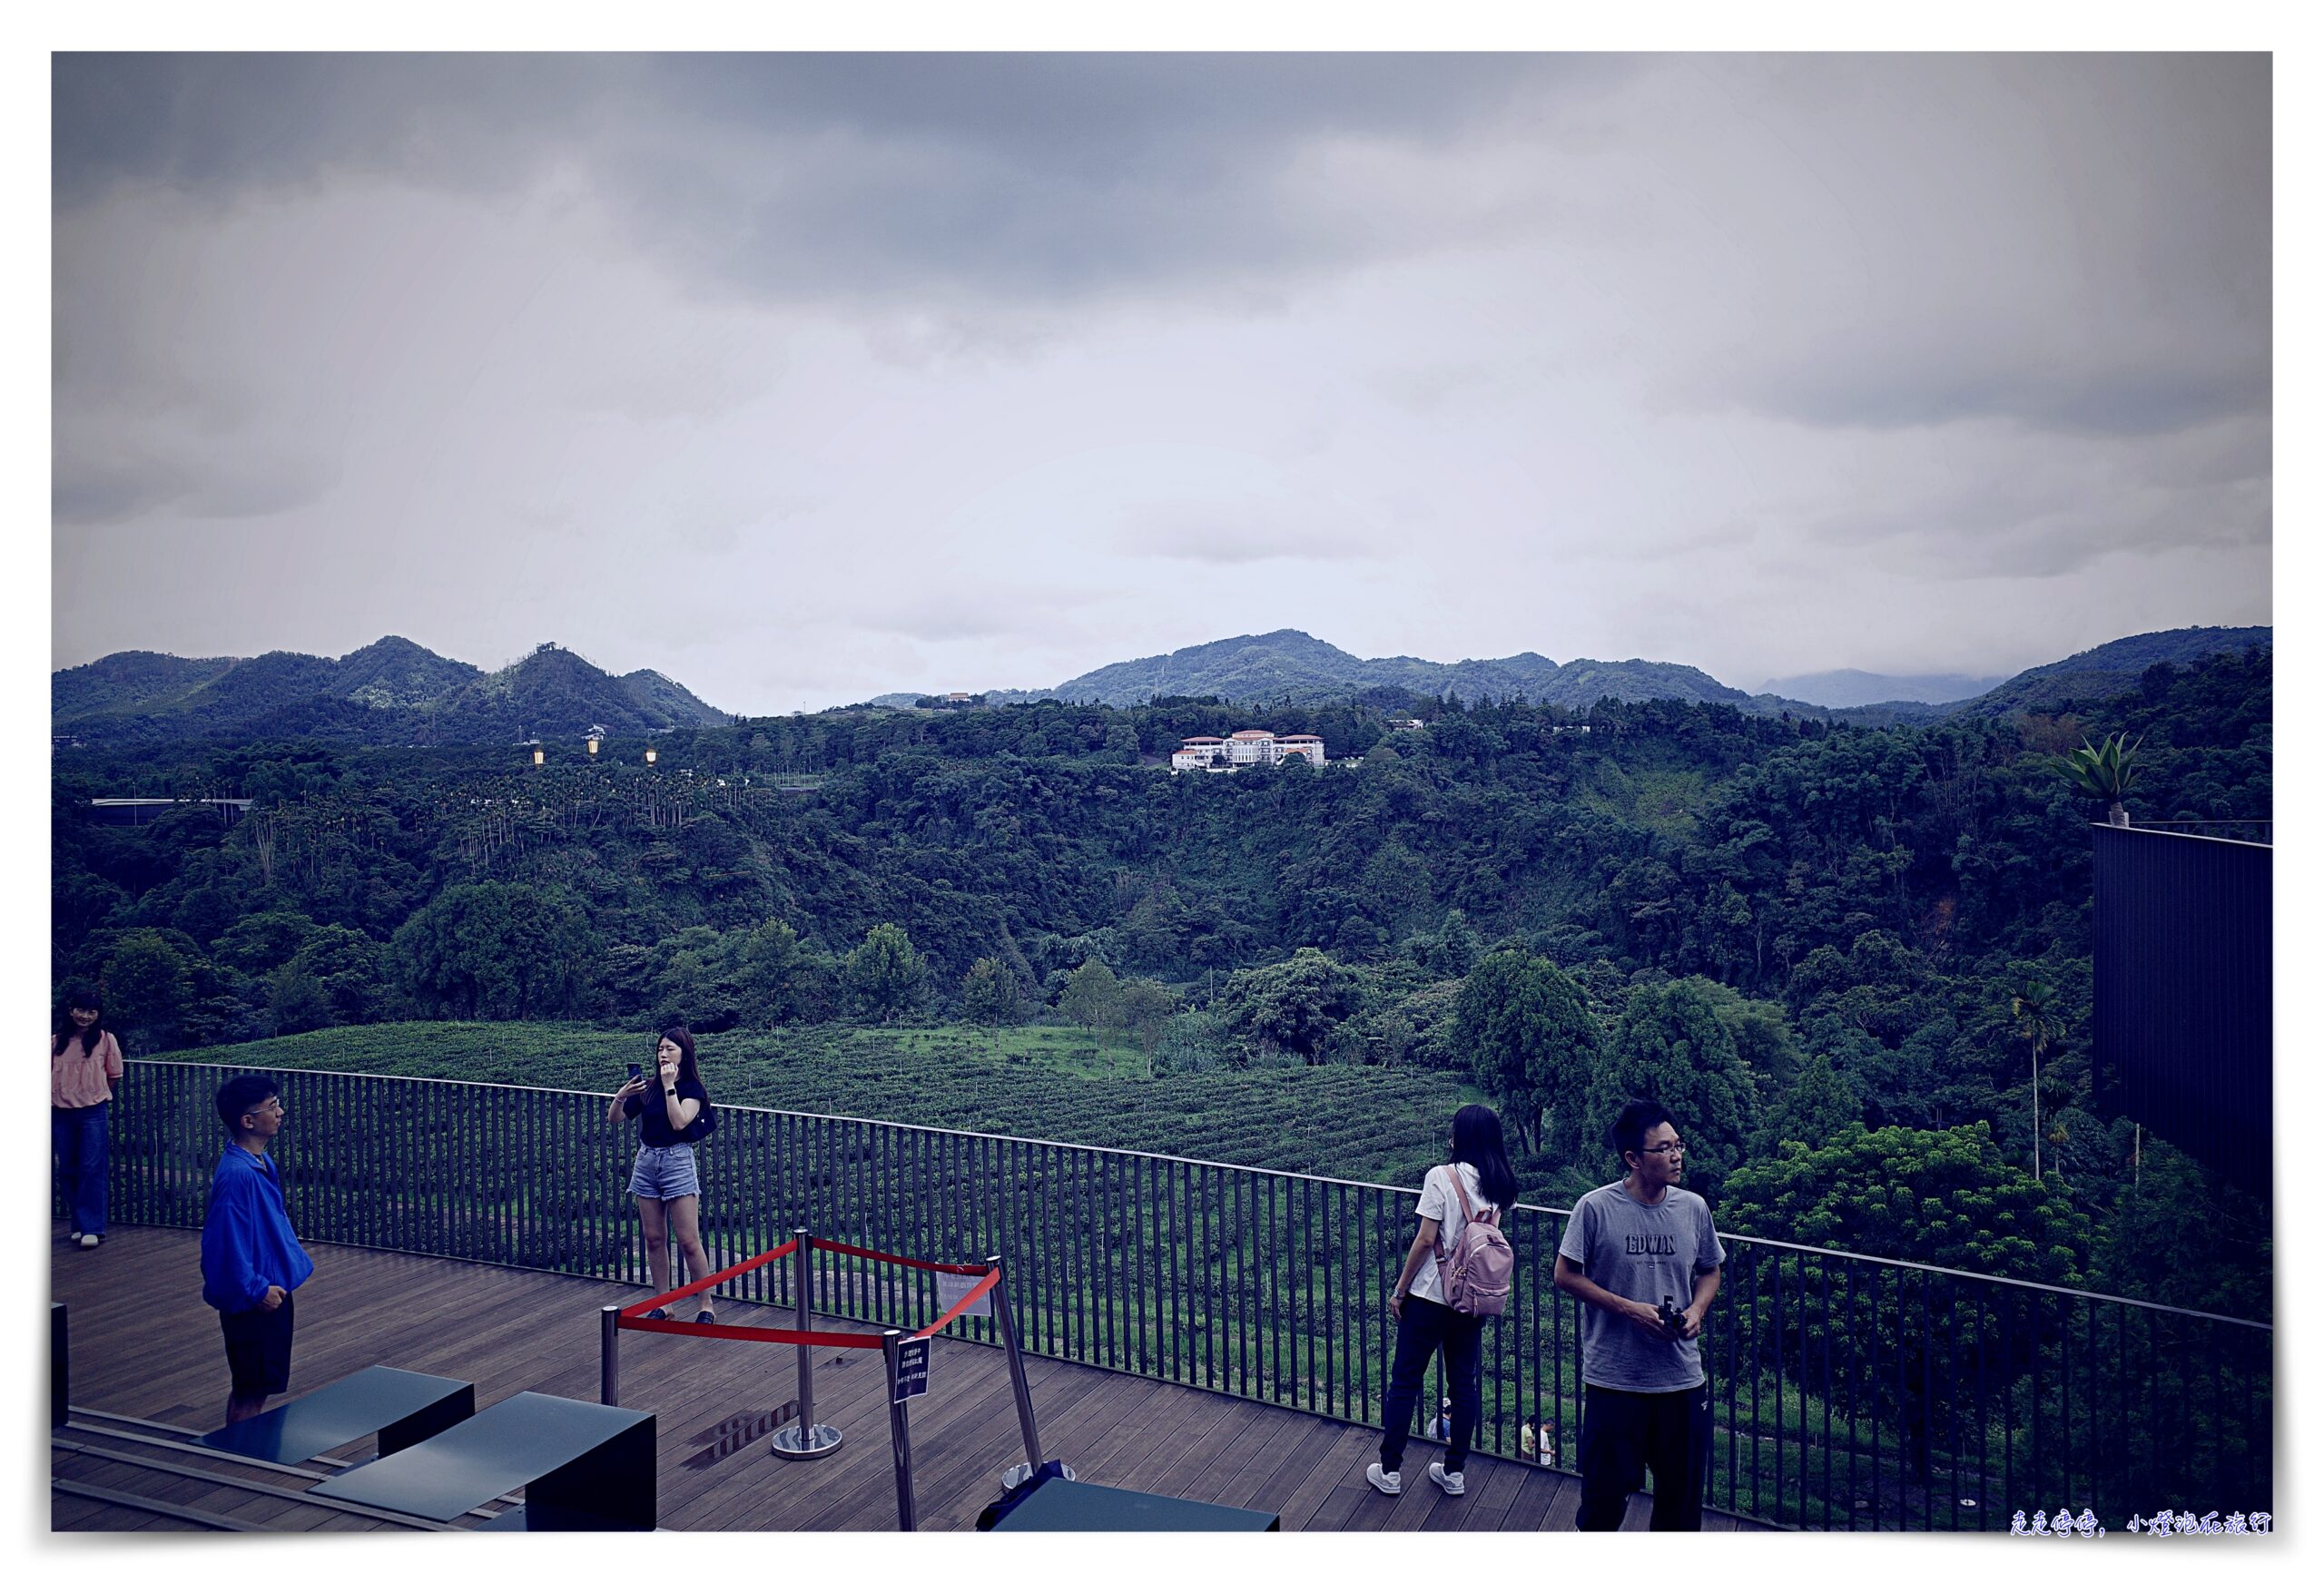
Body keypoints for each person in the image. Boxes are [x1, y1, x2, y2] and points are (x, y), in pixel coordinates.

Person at [1552, 1098, 1725, 1530]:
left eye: (1679, 1145)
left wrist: (1698, 1308)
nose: (1676, 1155)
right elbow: (1566, 1275)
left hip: (1681, 1379)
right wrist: (1628, 1309)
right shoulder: (1594, 1208)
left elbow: (1710, 1270)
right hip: (1616, 1380)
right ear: (1632, 1158)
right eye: (1664, 1148)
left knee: (1681, 1507)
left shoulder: (1693, 1208)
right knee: (1603, 1504)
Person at [1366, 1102, 1518, 1500]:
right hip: (1471, 1302)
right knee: (1463, 1386)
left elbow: (1424, 1240)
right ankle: (1454, 1472)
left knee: (1405, 1381)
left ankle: (1390, 1470)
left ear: (1459, 1137)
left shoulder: (1441, 1177)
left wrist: (1400, 1289)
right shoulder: (1499, 1182)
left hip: (1431, 1296)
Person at [201, 1075, 315, 1426]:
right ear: (247, 1121)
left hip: (272, 1289)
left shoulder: (259, 1163)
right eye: (272, 1107)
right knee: (251, 1389)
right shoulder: (239, 1175)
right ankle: (238, 1464)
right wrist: (256, 1291)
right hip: (259, 1297)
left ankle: (240, 1457)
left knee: (258, 1386)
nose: (280, 1112)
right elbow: (223, 1244)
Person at [608, 1026, 718, 1323]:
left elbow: (680, 1122)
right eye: (660, 1049)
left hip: (677, 1162)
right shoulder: (648, 1086)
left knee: (688, 1240)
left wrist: (670, 1085)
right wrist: (621, 1096)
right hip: (646, 1162)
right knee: (654, 1237)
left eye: (670, 1048)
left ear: (684, 1053)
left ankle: (705, 1304)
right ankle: (664, 1302)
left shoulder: (692, 1088)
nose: (664, 1054)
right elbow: (615, 1118)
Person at [51, 988, 125, 1250]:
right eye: (80, 1010)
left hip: (92, 1112)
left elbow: (114, 1074)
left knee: (92, 1168)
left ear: (98, 1015)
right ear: (71, 1011)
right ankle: (78, 1223)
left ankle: (92, 1228)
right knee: (67, 1169)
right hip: (60, 1112)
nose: (85, 1016)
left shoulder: (106, 1040)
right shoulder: (55, 1041)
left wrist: (94, 1092)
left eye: (91, 1011)